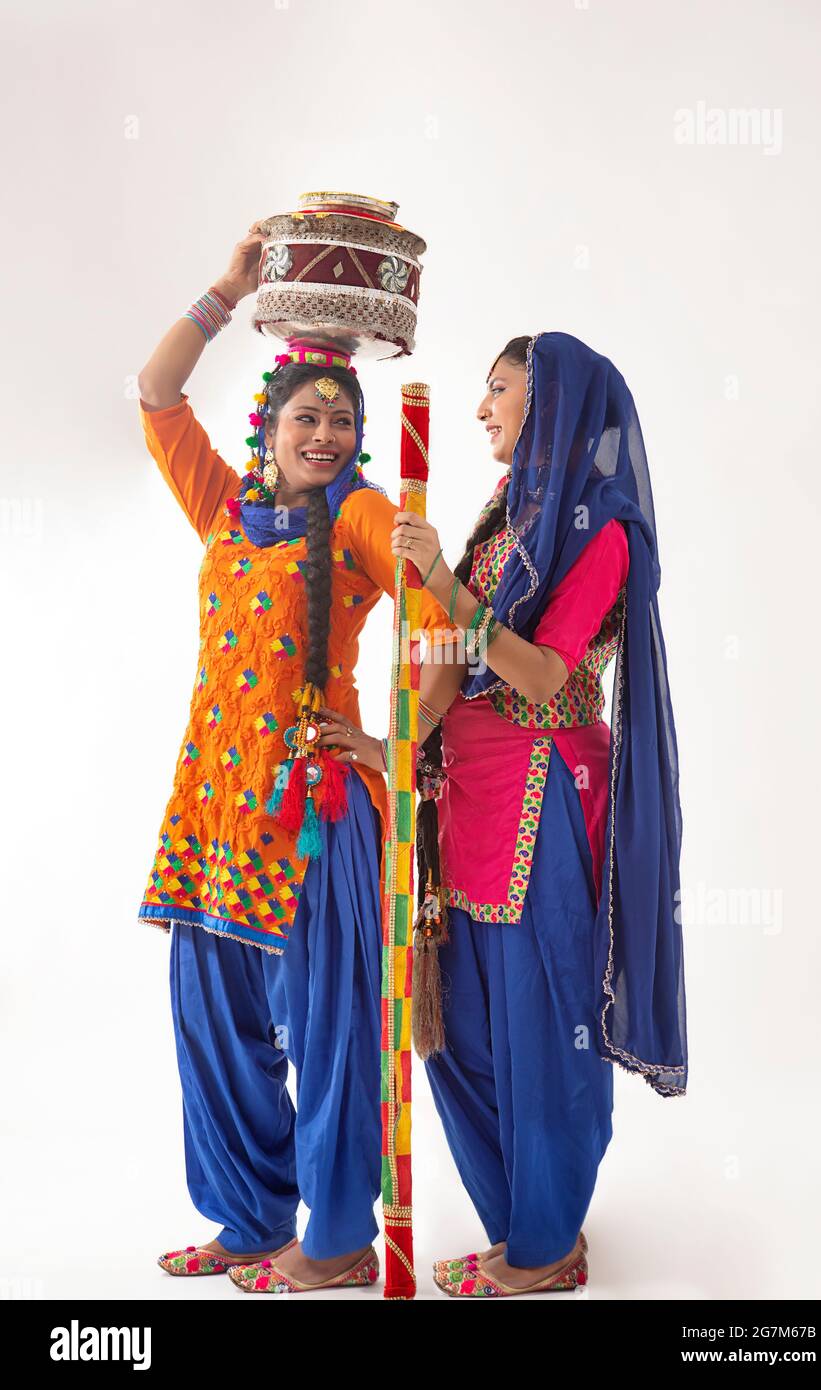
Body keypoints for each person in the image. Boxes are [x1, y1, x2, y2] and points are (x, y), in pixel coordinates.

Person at [328, 331, 687, 1298]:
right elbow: (452, 660)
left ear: (557, 403)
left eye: (501, 391)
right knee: (467, 1033)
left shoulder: (602, 532)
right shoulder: (502, 520)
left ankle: (546, 1249)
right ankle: (516, 1226)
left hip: (545, 808)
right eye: (483, 393)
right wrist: (393, 747)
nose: (484, 409)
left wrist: (443, 579)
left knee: (545, 1028)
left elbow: (541, 674)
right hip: (464, 805)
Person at [135, 223, 452, 1295]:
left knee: (326, 1031)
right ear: (267, 426)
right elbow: (154, 393)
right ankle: (248, 1218)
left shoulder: (362, 513)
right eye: (306, 415)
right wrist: (226, 288)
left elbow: (439, 633)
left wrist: (385, 742)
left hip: (313, 809)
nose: (323, 431)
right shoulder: (227, 510)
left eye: (341, 418)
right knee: (214, 1027)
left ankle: (334, 1241)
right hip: (211, 811)